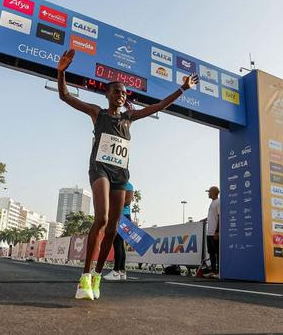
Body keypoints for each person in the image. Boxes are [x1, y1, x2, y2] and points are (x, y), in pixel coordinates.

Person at [57, 49, 198, 300]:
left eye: (124, 93)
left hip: (120, 174)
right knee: (101, 218)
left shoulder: (130, 118)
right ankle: (84, 277)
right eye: (116, 92)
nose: (121, 95)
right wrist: (61, 72)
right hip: (99, 169)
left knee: (113, 228)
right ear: (107, 94)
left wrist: (182, 89)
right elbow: (65, 96)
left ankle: (97, 275)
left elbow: (159, 105)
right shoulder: (97, 113)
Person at [104, 182, 134, 281]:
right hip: (118, 215)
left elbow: (128, 201)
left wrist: (113, 203)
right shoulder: (115, 185)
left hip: (123, 216)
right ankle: (122, 271)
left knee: (118, 243)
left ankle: (116, 272)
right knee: (120, 244)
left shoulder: (128, 185)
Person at [205, 186, 220, 278]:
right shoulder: (212, 203)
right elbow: (211, 217)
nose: (208, 193)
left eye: (209, 192)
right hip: (209, 232)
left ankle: (218, 272)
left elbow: (220, 217)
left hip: (215, 233)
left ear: (214, 192)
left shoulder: (218, 202)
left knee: (217, 253)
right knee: (211, 253)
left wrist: (217, 232)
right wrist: (204, 220)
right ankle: (213, 271)